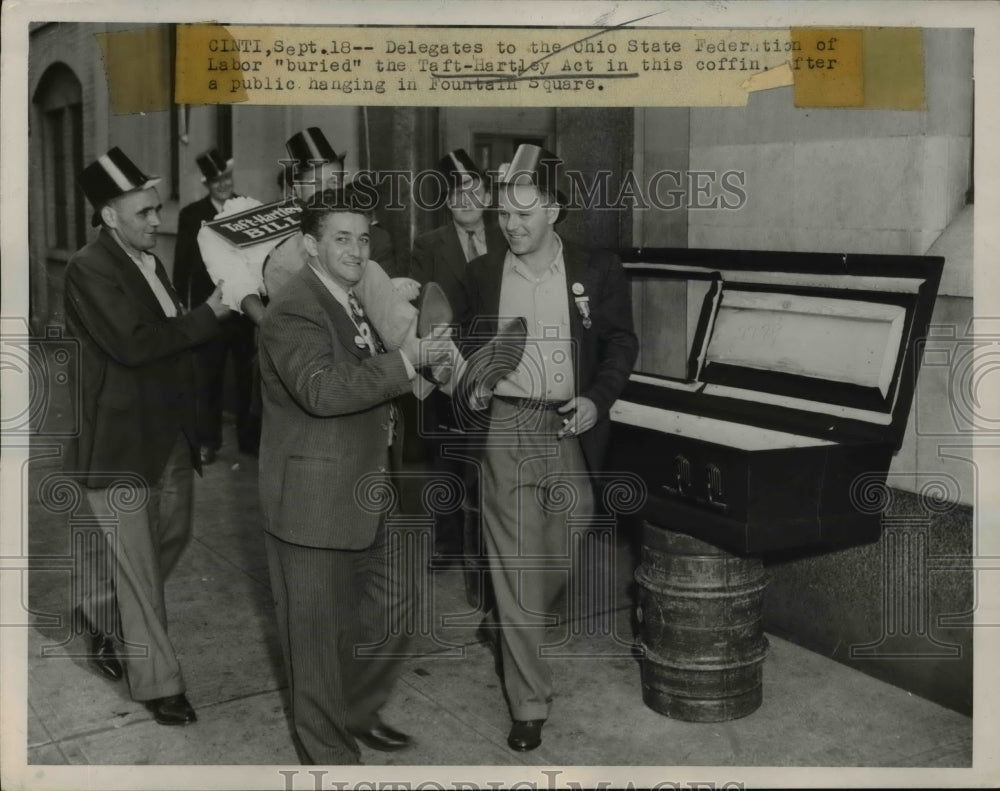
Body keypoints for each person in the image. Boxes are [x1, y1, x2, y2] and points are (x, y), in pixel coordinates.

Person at [257, 187, 454, 764]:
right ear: (309, 244)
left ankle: (357, 709)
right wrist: (409, 360)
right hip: (314, 501)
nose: (357, 250)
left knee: (395, 604)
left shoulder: (348, 297)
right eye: (341, 238)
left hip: (368, 486)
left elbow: (374, 379)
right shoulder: (294, 307)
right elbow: (322, 390)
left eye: (363, 238)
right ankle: (330, 760)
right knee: (316, 643)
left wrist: (426, 365)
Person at [457, 144, 639, 752]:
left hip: (568, 427)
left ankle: (510, 619)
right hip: (507, 427)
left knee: (560, 549)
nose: (510, 225)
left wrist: (597, 398)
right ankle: (528, 702)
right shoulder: (483, 274)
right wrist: (471, 378)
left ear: (555, 211)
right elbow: (459, 344)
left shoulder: (597, 269)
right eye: (504, 214)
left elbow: (621, 342)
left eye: (524, 214)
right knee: (516, 565)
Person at [64, 147, 231, 726]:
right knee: (138, 567)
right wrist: (210, 313)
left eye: (157, 209)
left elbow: (172, 340)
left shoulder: (148, 261)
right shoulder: (89, 267)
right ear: (110, 216)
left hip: (168, 434)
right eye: (144, 212)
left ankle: (100, 614)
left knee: (171, 539)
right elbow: (135, 344)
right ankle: (160, 685)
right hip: (121, 442)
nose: (157, 220)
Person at [409, 149, 506, 584]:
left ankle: (487, 545)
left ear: (487, 195)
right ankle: (447, 541)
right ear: (446, 201)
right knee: (447, 458)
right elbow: (421, 310)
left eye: (473, 190)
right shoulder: (429, 245)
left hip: (498, 366)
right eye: (455, 193)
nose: (465, 200)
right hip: (448, 367)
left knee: (490, 458)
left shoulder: (508, 235)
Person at [173, 148, 260, 462]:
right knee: (207, 376)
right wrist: (181, 304)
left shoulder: (246, 208)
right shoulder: (191, 215)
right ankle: (208, 442)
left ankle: (249, 440)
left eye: (226, 177)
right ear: (207, 184)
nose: (223, 184)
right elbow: (182, 264)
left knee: (247, 377)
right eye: (216, 180)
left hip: (244, 308)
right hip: (209, 308)